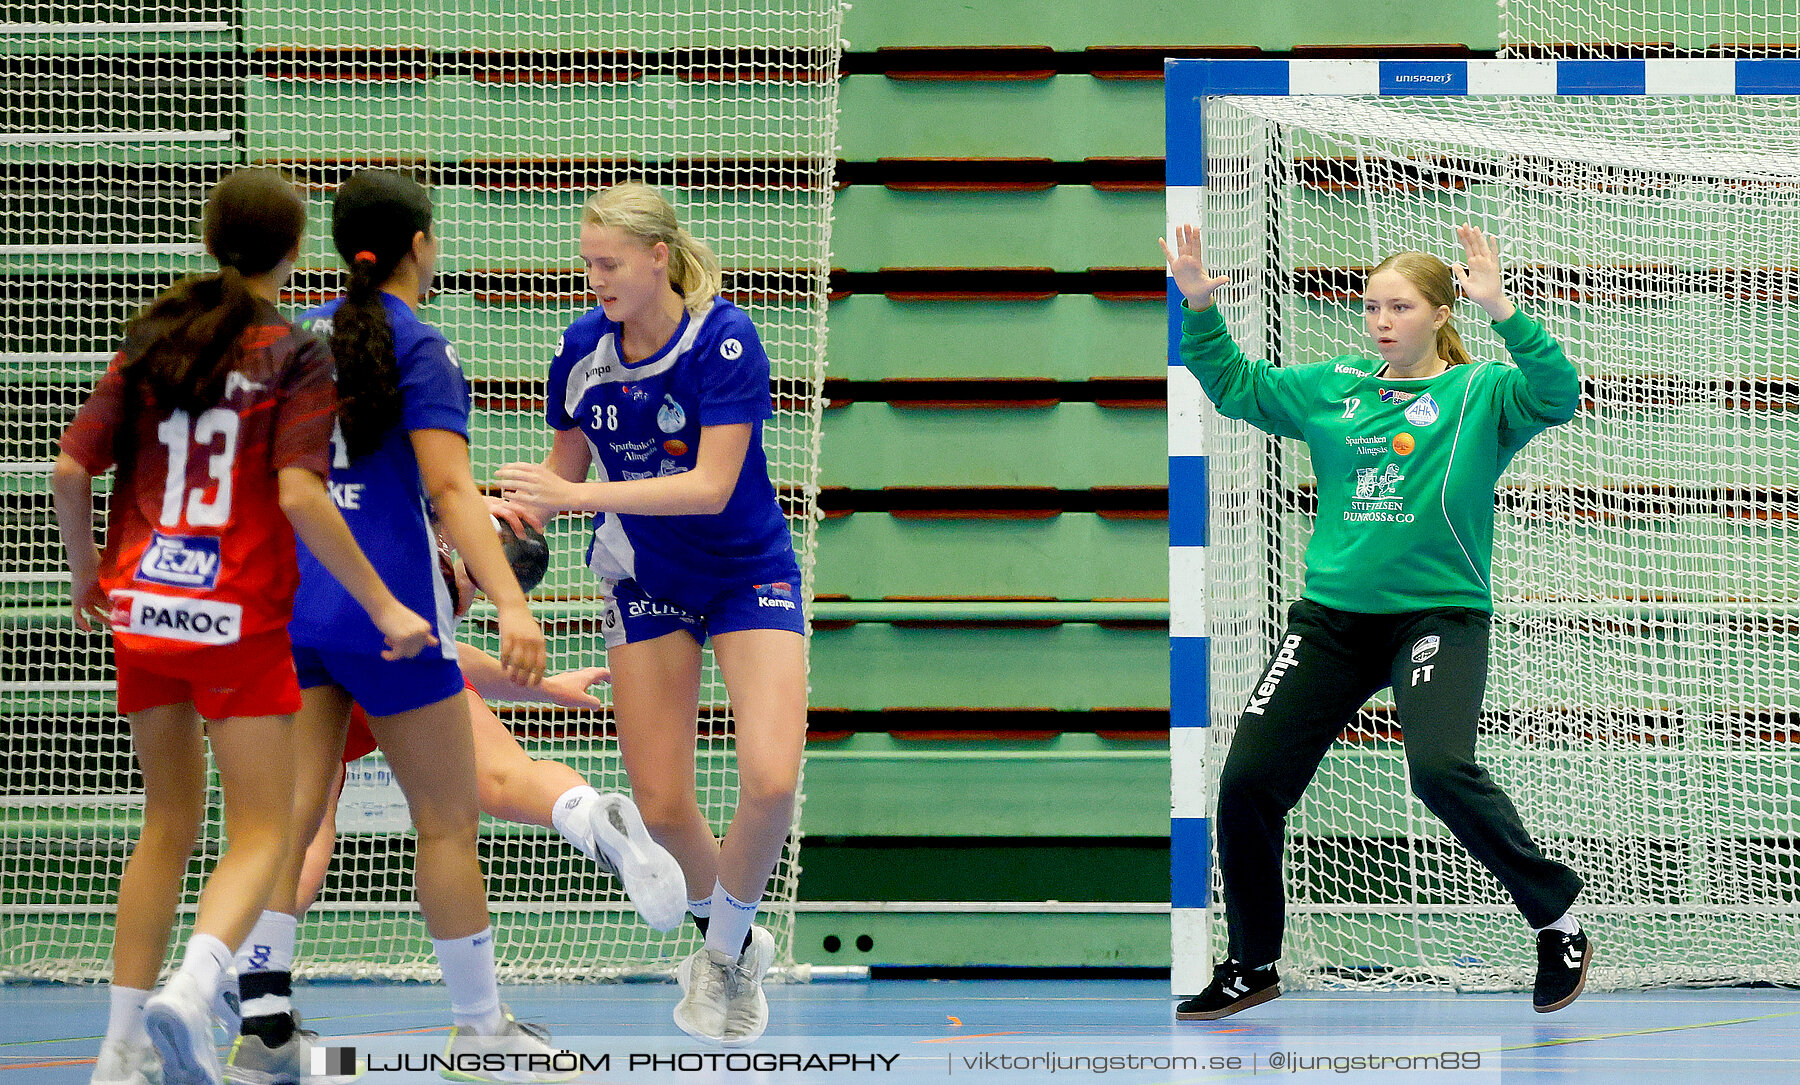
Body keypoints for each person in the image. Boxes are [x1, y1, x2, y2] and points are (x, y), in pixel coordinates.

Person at [54, 168, 434, 1085]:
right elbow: (301, 492)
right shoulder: (294, 354)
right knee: (263, 831)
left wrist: (87, 576)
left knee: (164, 825)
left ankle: (118, 1053)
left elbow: (69, 470)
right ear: (296, 252)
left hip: (143, 607)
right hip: (233, 616)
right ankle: (191, 992)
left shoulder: (152, 339)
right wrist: (385, 603)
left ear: (209, 240)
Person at [1160, 223, 1591, 1020]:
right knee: (1248, 781)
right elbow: (1234, 386)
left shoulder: (1481, 394)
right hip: (1331, 622)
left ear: (1438, 313)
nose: (1381, 321)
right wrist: (1198, 307)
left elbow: (1558, 393)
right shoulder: (1337, 386)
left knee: (1437, 768)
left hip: (1437, 615)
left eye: (1399, 306)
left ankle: (1555, 915)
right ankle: (1253, 962)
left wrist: (1503, 310)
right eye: (1371, 307)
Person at [222, 169, 568, 1085]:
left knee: (285, 824)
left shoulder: (293, 339)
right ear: (422, 247)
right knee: (448, 821)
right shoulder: (420, 344)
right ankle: (479, 1029)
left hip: (299, 604)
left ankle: (262, 1031)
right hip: (395, 614)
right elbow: (453, 492)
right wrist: (513, 601)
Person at [497, 182, 807, 1046]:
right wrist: (506, 515)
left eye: (608, 263)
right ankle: (732, 944)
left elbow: (711, 487)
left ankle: (726, 950)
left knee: (772, 780)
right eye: (587, 262)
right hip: (645, 580)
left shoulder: (725, 338)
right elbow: (559, 472)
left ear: (657, 258)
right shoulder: (581, 349)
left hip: (747, 572)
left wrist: (577, 489)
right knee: (663, 803)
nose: (594, 277)